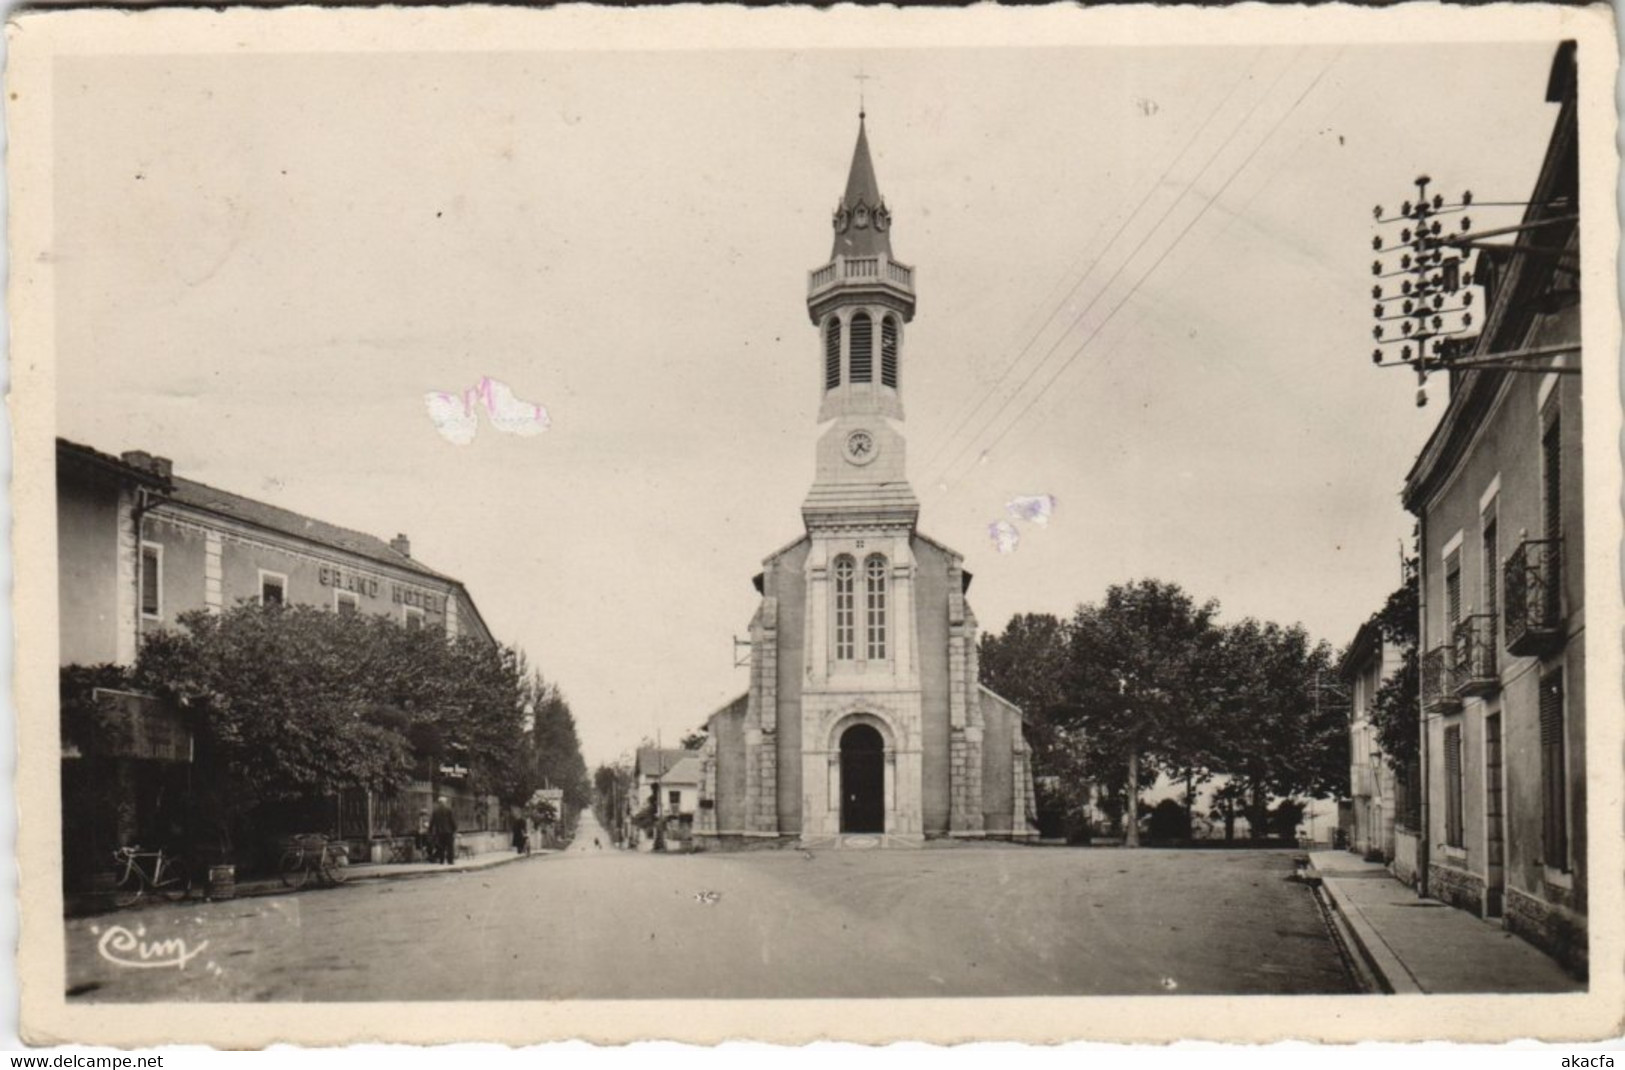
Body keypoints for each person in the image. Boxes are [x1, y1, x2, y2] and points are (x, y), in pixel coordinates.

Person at [429, 795, 458, 865]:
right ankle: (450, 860)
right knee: (450, 846)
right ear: (445, 802)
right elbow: (452, 820)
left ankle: (441, 860)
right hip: (449, 831)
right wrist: (455, 828)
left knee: (441, 846)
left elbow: (432, 821)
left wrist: (430, 829)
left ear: (439, 802)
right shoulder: (449, 809)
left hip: (439, 831)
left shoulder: (435, 811)